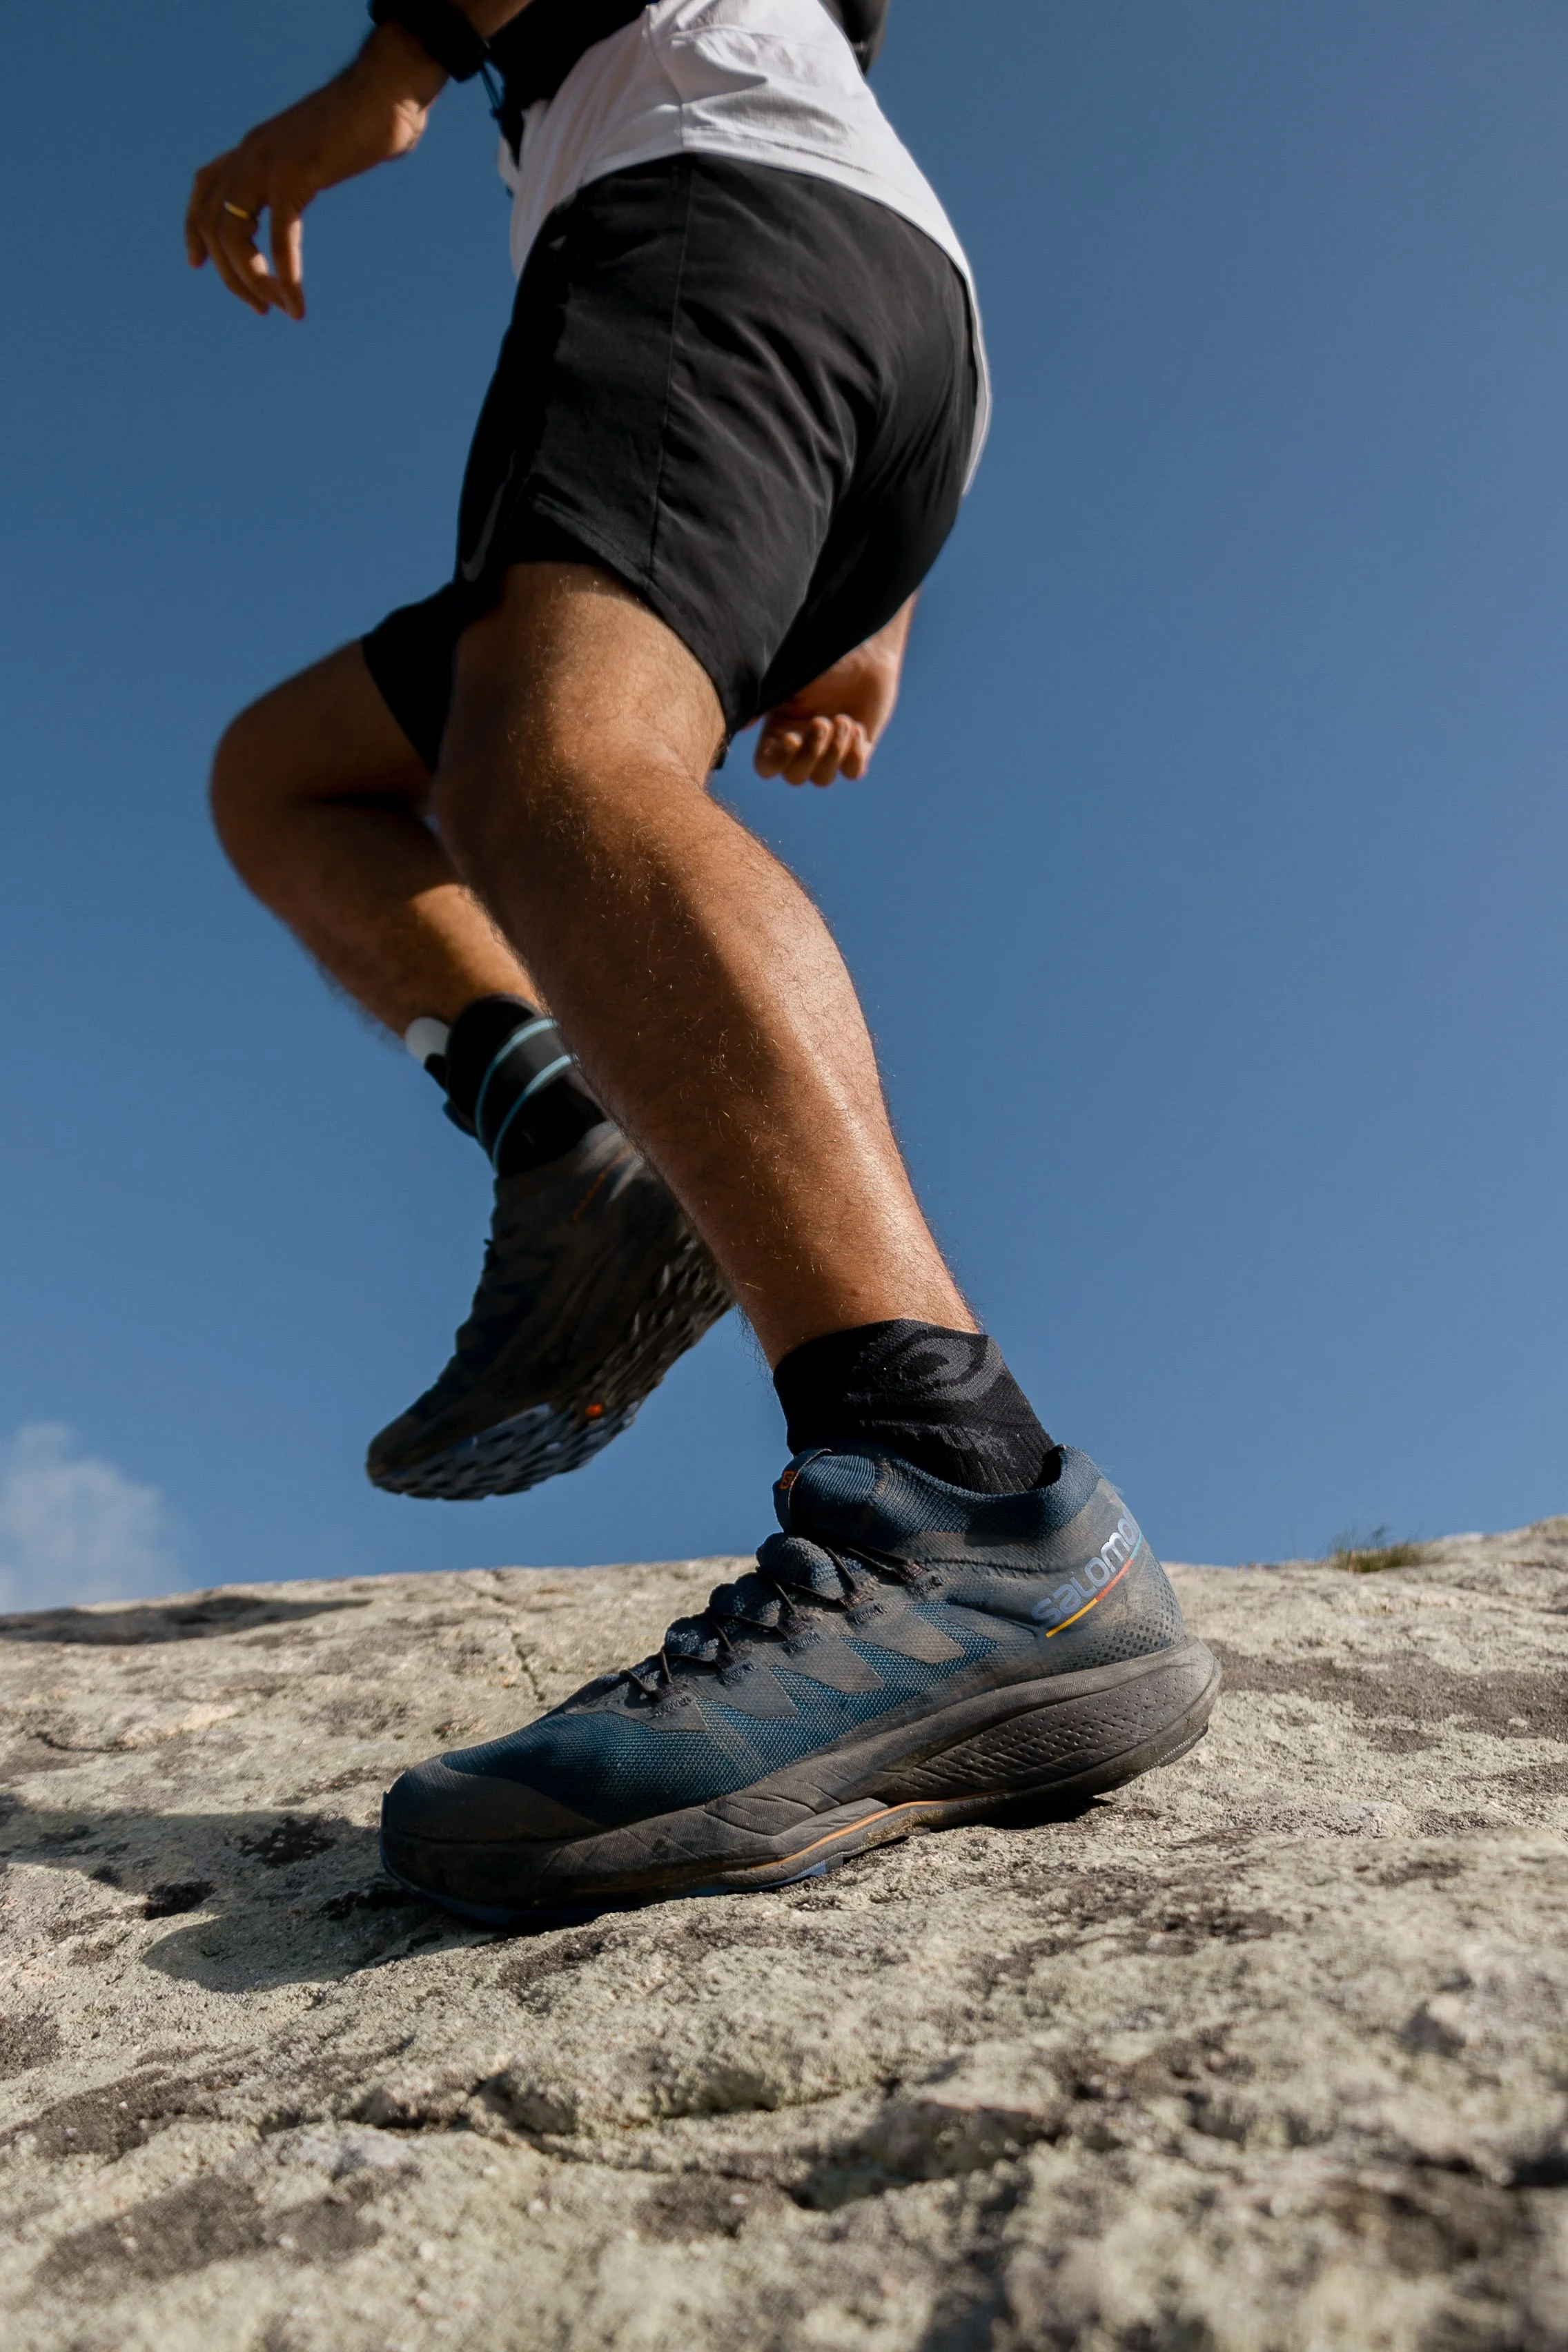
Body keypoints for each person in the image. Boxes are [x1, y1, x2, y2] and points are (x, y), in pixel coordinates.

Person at [188, 0, 1218, 1917]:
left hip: (705, 233)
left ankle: (959, 1495)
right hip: (875, 320)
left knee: (555, 769)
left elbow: (456, 60)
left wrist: (373, 86)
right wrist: (876, 604)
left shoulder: (666, 80)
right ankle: (562, 1122)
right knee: (292, 777)